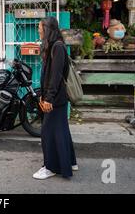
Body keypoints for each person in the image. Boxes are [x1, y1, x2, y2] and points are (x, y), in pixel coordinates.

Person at [33, 17, 77, 180]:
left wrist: (48, 98)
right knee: (61, 131)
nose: (38, 30)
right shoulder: (53, 46)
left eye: (40, 27)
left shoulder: (57, 47)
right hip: (56, 98)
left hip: (55, 99)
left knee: (47, 133)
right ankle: (70, 162)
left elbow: (56, 76)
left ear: (48, 29)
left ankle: (50, 167)